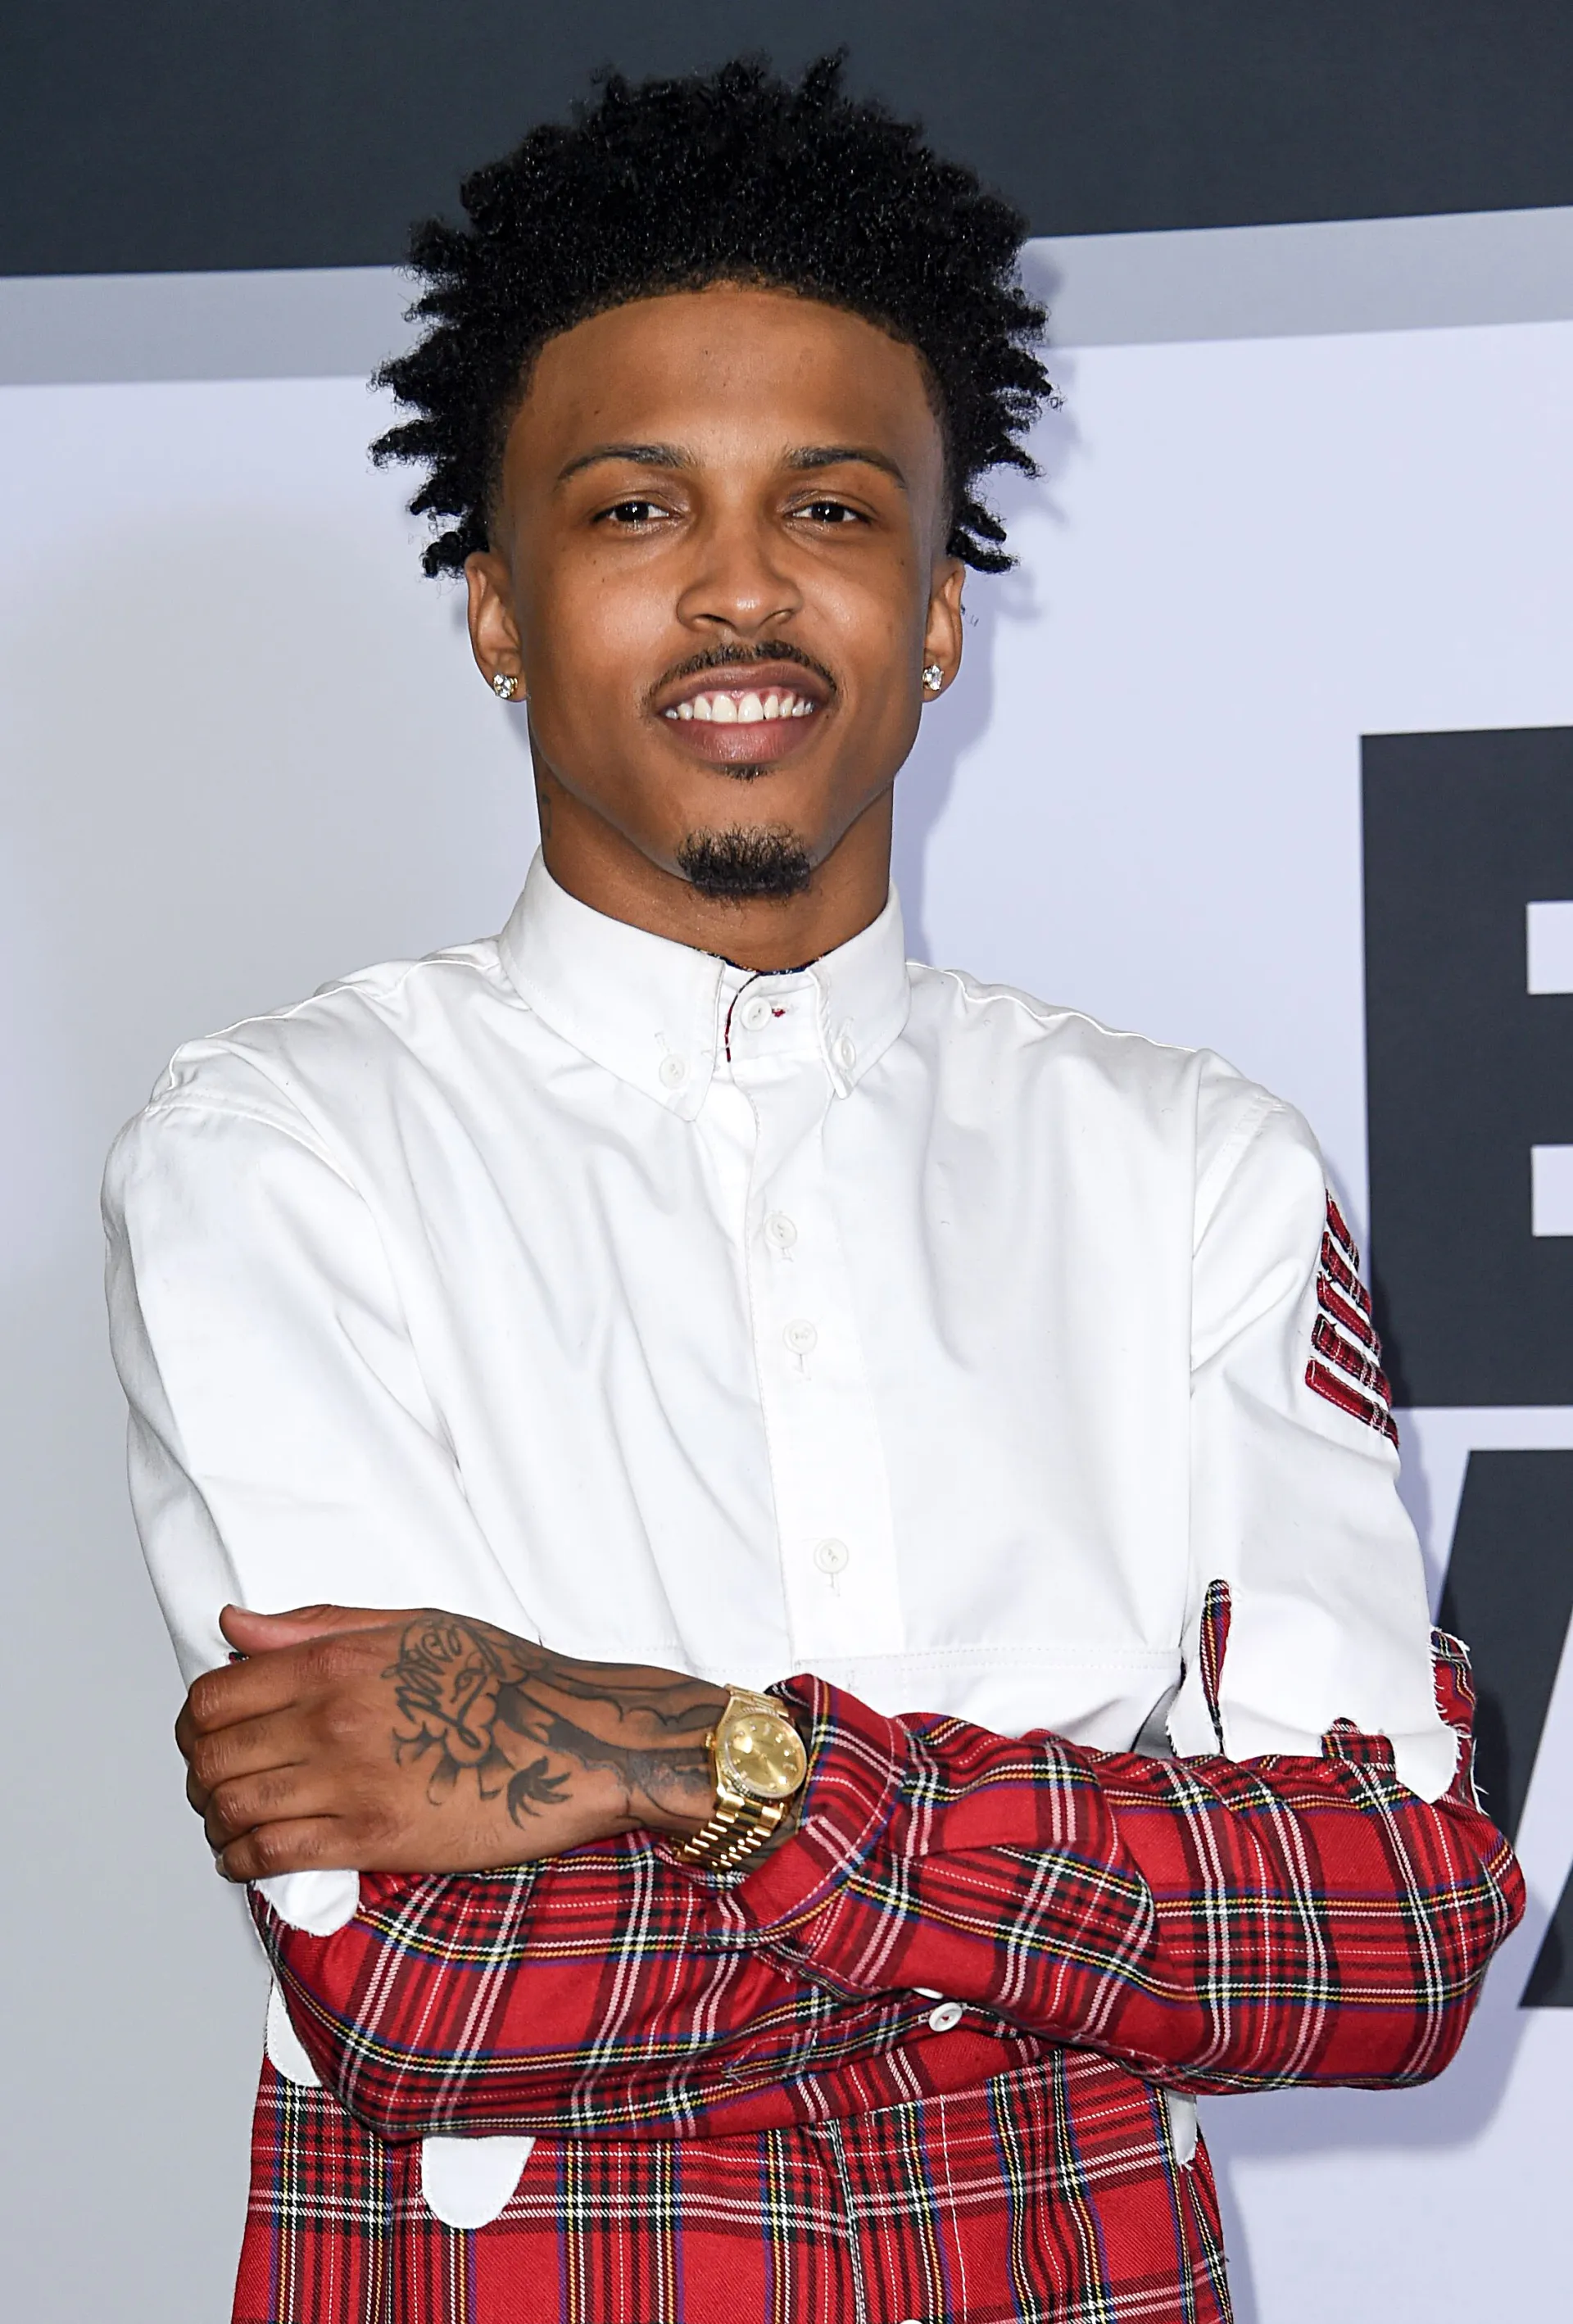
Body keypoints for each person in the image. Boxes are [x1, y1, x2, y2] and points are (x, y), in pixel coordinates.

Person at [103, 53, 1521, 2324]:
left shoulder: (1183, 1167)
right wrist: (1096, 1931)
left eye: (835, 510)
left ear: (941, 610)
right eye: (637, 511)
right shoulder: (289, 1147)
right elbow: (432, 1988)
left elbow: (1391, 1941)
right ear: (495, 610)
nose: (744, 590)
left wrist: (695, 1757)